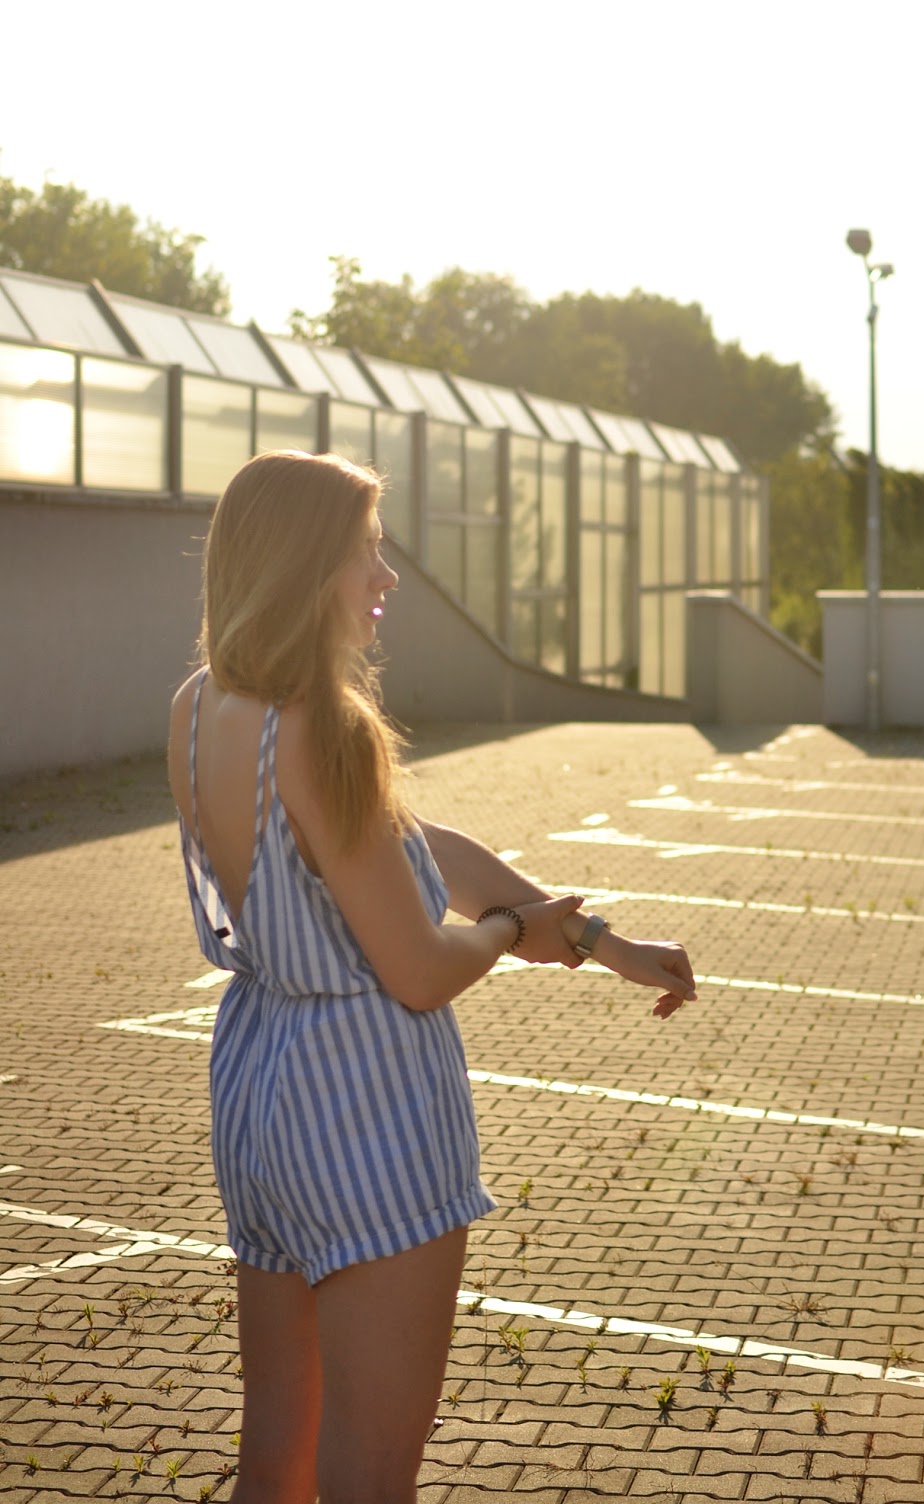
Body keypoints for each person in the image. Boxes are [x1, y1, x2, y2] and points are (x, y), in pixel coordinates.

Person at [166, 450, 697, 1504]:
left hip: (261, 1082)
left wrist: (600, 941)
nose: (386, 572)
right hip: (366, 1100)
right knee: (372, 1470)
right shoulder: (324, 721)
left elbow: (413, 844)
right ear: (307, 563)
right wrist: (505, 929)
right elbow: (415, 968)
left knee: (277, 1453)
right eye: (368, 546)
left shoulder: (200, 705)